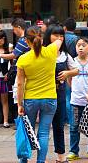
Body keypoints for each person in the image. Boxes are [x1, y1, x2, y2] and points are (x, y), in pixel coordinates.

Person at [16, 26, 63, 163]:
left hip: (30, 99)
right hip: (50, 98)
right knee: (43, 133)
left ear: (26, 41)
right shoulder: (51, 52)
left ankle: (24, 161)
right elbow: (59, 41)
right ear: (41, 39)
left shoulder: (23, 59)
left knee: (26, 131)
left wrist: (19, 104)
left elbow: (20, 84)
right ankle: (40, 161)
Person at [44, 24, 78, 163]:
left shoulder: (65, 55)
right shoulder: (44, 52)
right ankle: (42, 157)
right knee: (44, 128)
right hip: (44, 93)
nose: (59, 39)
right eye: (56, 36)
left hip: (60, 93)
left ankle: (60, 156)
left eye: (61, 36)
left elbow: (76, 70)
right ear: (49, 37)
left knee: (59, 125)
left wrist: (67, 73)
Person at [0, 18, 29, 117]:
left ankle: (21, 121)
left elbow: (13, 55)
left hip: (22, 72)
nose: (13, 31)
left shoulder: (23, 40)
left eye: (14, 29)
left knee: (18, 96)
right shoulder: (28, 39)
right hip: (26, 71)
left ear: (19, 27)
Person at [66, 37, 88, 161]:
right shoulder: (72, 62)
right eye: (78, 45)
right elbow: (69, 78)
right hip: (76, 101)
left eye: (84, 45)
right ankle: (74, 151)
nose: (81, 47)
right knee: (74, 127)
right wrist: (74, 89)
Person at [63, 17, 79, 128]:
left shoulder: (62, 38)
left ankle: (66, 119)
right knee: (71, 95)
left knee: (65, 96)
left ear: (65, 27)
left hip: (63, 68)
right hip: (73, 69)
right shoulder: (77, 39)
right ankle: (71, 120)